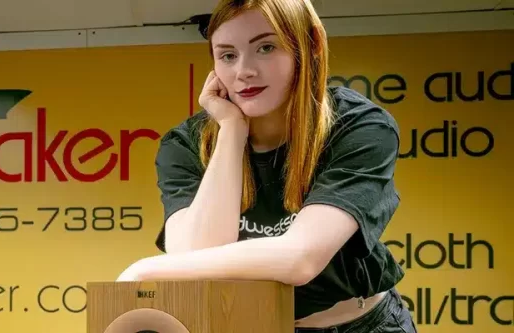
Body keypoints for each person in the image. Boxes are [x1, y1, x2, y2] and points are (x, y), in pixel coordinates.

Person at [115, 0, 417, 332]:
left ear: (311, 44)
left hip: (361, 324)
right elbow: (196, 257)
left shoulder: (359, 127)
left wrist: (148, 270)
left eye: (266, 47)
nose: (244, 70)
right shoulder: (186, 144)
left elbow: (300, 259)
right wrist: (231, 130)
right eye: (228, 55)